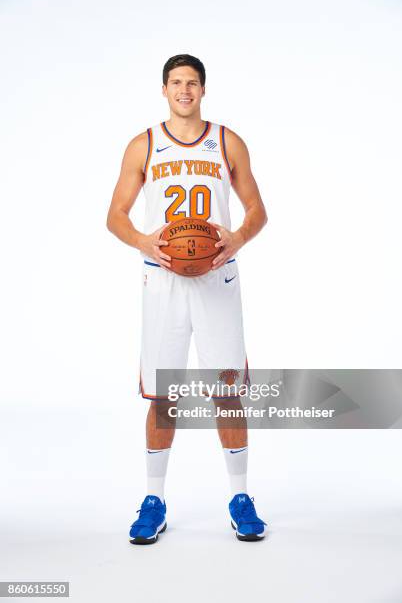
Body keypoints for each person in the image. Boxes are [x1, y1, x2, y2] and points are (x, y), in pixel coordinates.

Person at [107, 54, 268, 544]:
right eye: (176, 83)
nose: (184, 90)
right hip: (163, 279)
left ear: (203, 90)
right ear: (164, 89)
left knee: (227, 391)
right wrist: (143, 241)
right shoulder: (144, 145)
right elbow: (115, 215)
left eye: (192, 83)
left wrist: (237, 238)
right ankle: (154, 499)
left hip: (217, 275)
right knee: (163, 394)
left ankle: (240, 497)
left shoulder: (227, 141)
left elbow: (258, 210)